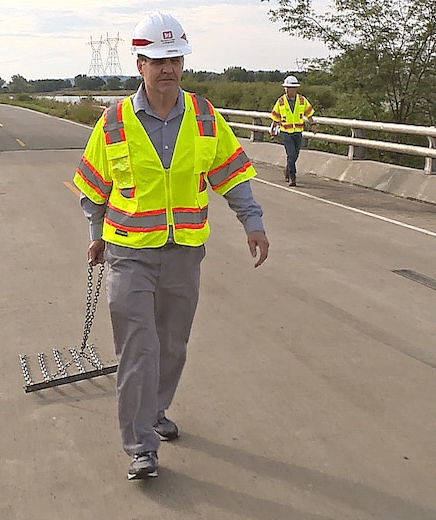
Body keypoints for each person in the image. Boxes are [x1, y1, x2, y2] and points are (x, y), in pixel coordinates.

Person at [72, 11, 269, 481]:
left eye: (175, 58)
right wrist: (96, 236)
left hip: (184, 255)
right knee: (139, 348)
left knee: (173, 345)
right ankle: (141, 445)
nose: (168, 68)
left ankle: (156, 411)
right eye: (158, 59)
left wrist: (253, 223)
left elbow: (231, 174)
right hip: (129, 255)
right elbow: (92, 187)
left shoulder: (204, 116)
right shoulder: (115, 120)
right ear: (139, 63)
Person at [269, 75, 317, 187]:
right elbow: (276, 117)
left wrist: (313, 125)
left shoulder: (302, 100)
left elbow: (309, 113)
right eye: (286, 87)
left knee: (295, 155)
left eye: (290, 87)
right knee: (291, 154)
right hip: (285, 132)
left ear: (295, 89)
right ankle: (292, 177)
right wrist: (273, 129)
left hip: (298, 132)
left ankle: (287, 169)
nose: (287, 90)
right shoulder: (281, 101)